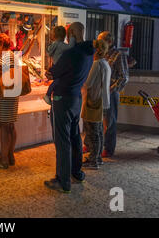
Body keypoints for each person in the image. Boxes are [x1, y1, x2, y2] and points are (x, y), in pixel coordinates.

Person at [44, 22, 94, 193]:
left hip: (62, 98)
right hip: (76, 98)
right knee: (75, 137)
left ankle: (63, 180)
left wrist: (50, 72)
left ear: (71, 33)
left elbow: (52, 73)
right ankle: (76, 172)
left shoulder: (71, 54)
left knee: (62, 139)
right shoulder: (88, 52)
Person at [97, 31, 129, 157]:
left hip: (111, 93)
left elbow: (124, 77)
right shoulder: (100, 54)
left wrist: (110, 89)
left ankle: (108, 148)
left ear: (110, 42)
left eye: (102, 41)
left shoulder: (118, 55)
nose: (99, 44)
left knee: (109, 121)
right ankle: (94, 145)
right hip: (98, 92)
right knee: (97, 120)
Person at [0, 33, 19, 169]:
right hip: (12, 95)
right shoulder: (13, 56)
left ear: (1, 44)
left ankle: (3, 159)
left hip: (4, 96)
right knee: (10, 126)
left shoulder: (3, 58)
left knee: (4, 126)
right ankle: (10, 155)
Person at [82, 39, 111, 170]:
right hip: (104, 101)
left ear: (96, 50)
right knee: (99, 132)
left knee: (93, 131)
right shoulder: (106, 63)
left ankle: (93, 160)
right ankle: (98, 158)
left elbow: (88, 83)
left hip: (94, 100)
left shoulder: (96, 64)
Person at [44, 26, 76, 105]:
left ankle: (49, 95)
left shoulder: (54, 44)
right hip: (60, 66)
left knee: (57, 80)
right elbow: (71, 47)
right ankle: (48, 94)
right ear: (63, 36)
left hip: (56, 65)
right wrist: (72, 37)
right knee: (58, 80)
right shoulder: (60, 45)